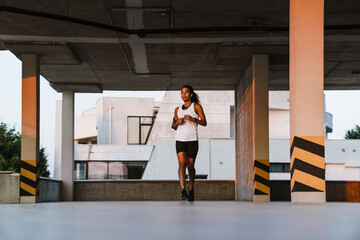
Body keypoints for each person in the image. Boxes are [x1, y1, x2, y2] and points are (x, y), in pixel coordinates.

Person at [172, 85, 207, 201]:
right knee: (182, 164)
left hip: (192, 140)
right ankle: (183, 190)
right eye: (182, 92)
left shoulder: (196, 107)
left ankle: (191, 188)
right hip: (180, 140)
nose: (183, 94)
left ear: (191, 94)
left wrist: (193, 119)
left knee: (190, 167)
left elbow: (204, 122)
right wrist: (178, 122)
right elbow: (173, 126)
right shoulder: (177, 109)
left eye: (186, 92)